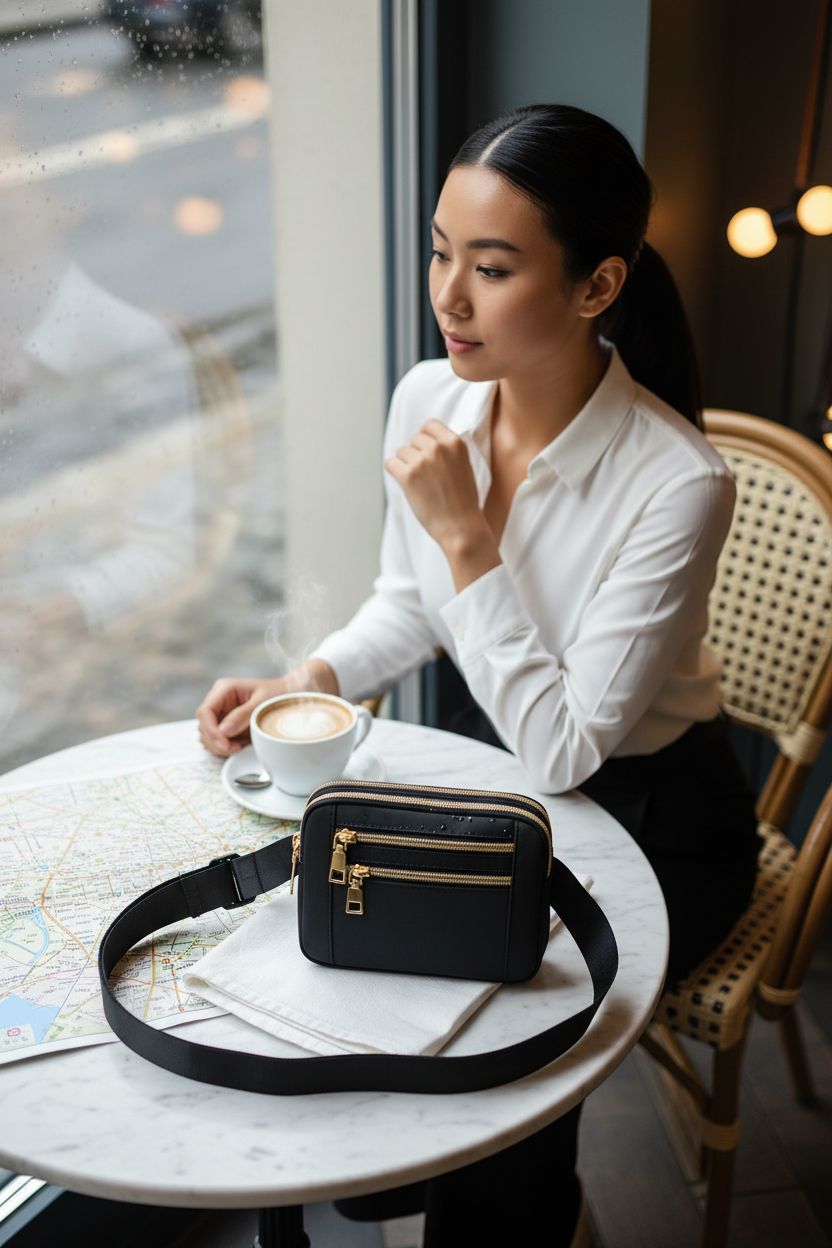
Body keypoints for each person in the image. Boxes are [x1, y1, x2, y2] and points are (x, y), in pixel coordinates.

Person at [197, 103, 759, 1246]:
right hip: (494, 762)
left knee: (501, 1013)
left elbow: (564, 749)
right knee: (355, 939)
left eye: (492, 268)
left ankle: (509, 1220)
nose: (448, 297)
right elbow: (408, 603)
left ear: (598, 286)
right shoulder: (429, 396)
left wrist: (466, 535)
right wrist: (306, 678)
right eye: (441, 252)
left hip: (653, 818)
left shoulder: (677, 483)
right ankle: (419, 1175)